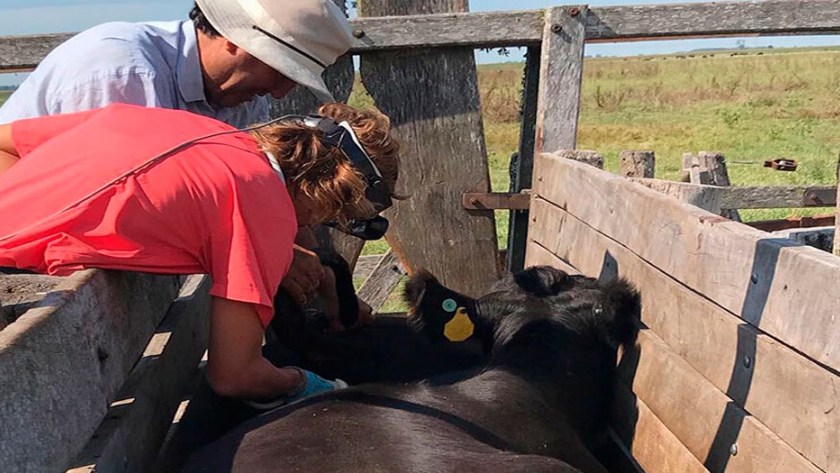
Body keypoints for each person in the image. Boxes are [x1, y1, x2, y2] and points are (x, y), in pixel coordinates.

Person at [0, 101, 400, 403]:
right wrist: (309, 385)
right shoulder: (261, 205)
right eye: (335, 214)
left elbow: (8, 144)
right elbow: (235, 375)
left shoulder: (192, 127)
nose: (316, 224)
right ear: (331, 192)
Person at [0, 0, 357, 312]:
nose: (281, 93)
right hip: (23, 260)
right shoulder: (122, 71)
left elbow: (263, 196)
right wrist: (279, 252)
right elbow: (114, 204)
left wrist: (322, 269)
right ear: (237, 41)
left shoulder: (240, 99)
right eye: (283, 71)